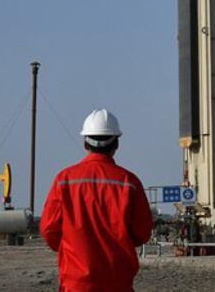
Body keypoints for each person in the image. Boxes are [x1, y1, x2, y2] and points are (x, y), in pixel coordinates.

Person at [41, 109, 153, 292]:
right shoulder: (129, 183)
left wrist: (73, 247)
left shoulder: (64, 180)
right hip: (118, 283)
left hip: (76, 284)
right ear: (116, 143)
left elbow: (49, 231)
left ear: (86, 142)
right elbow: (142, 233)